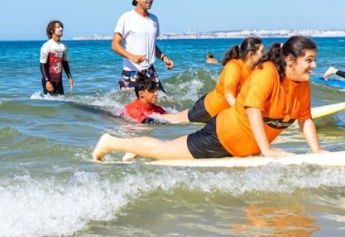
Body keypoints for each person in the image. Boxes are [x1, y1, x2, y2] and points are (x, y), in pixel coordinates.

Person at [92, 35, 324, 161]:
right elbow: (253, 110)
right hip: (221, 136)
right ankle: (111, 142)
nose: (314, 66)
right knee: (163, 151)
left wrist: (316, 151)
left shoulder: (302, 85)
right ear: (291, 61)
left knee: (167, 148)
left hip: (245, 148)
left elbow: (305, 118)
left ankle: (139, 149)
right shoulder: (268, 73)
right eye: (309, 60)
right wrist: (267, 151)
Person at [161, 37, 264, 124]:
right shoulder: (234, 66)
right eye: (262, 52)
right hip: (208, 109)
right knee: (175, 120)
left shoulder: (255, 69)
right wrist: (243, 114)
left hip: (222, 114)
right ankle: (151, 119)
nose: (264, 55)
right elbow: (228, 94)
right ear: (250, 54)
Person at [111, 0, 174, 92]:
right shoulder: (127, 17)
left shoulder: (154, 19)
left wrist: (164, 57)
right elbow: (115, 45)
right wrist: (132, 56)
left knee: (162, 103)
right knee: (128, 108)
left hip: (150, 71)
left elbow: (150, 45)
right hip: (132, 72)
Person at [39, 20, 75, 95]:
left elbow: (64, 63)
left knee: (60, 103)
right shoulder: (47, 46)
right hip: (48, 80)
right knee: (50, 104)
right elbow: (42, 65)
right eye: (58, 27)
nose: (61, 29)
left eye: (61, 27)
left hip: (59, 80)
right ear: (52, 30)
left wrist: (70, 77)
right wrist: (47, 81)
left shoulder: (64, 46)